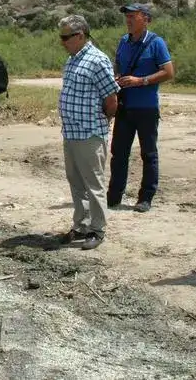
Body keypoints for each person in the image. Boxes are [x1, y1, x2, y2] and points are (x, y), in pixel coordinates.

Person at [57, 15, 121, 250]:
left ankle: (97, 229)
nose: (62, 42)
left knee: (93, 183)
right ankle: (82, 225)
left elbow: (111, 100)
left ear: (80, 36)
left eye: (66, 37)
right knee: (76, 182)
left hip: (90, 132)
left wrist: (101, 123)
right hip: (71, 132)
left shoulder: (97, 60)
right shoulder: (72, 59)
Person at [107, 2, 174, 213]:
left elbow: (169, 72)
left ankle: (145, 198)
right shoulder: (123, 42)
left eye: (133, 16)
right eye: (126, 16)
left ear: (146, 19)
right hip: (125, 106)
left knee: (149, 154)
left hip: (146, 108)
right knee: (119, 153)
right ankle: (114, 196)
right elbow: (118, 65)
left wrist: (141, 81)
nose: (128, 20)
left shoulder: (156, 43)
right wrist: (118, 78)